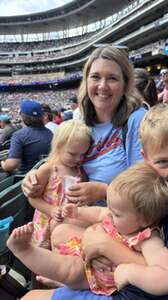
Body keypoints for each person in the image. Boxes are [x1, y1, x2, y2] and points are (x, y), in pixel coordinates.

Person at [10, 102, 168, 300]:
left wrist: (105, 246)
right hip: (125, 284)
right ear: (145, 158)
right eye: (163, 162)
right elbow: (109, 213)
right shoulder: (158, 186)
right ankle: (64, 273)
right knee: (61, 233)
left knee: (31, 297)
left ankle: (62, 274)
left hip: (138, 294)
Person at [7, 162, 168, 296]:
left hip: (97, 276)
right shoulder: (121, 216)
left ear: (145, 220)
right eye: (110, 208)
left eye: (116, 213)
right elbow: (98, 212)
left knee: (71, 269)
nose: (109, 214)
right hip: (90, 255)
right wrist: (78, 212)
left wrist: (129, 271)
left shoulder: (148, 239)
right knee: (61, 231)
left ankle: (25, 250)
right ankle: (60, 277)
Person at [22, 45, 146, 207]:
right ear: (86, 81)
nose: (102, 86)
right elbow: (57, 160)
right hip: (77, 215)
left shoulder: (137, 120)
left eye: (112, 78)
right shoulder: (80, 119)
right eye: (95, 77)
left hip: (119, 218)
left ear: (125, 85)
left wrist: (104, 191)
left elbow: (147, 186)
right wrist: (33, 177)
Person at [28, 119, 91, 249]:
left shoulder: (79, 170)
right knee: (44, 256)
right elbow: (33, 198)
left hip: (67, 223)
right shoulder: (48, 169)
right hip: (45, 221)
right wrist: (51, 210)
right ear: (58, 146)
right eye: (73, 154)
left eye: (82, 154)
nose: (79, 159)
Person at [0, 100, 53, 176]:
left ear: (22, 116)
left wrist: (3, 164)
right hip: (46, 175)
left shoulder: (19, 135)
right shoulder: (50, 133)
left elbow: (12, 165)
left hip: (24, 178)